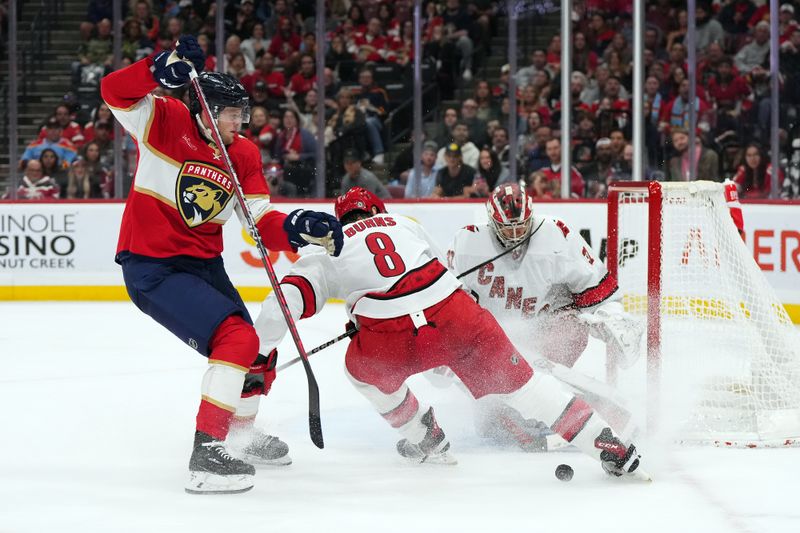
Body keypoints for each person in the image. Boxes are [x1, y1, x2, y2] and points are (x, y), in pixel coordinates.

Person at [253, 187, 649, 479]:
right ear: (380, 210)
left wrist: (263, 353)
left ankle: (425, 437)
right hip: (460, 322)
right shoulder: (404, 224)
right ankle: (607, 442)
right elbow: (439, 277)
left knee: (362, 374)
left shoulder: (325, 248)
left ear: (338, 221)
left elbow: (282, 307)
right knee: (528, 388)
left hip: (391, 339)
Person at [100, 35, 344, 495]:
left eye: (241, 113)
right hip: (153, 265)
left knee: (253, 353)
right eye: (232, 113)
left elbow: (259, 222)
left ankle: (241, 435)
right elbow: (114, 91)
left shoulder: (244, 153)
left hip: (204, 265)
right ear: (206, 109)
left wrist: (295, 227)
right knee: (237, 336)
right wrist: (157, 68)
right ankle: (206, 455)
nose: (240, 121)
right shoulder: (164, 119)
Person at [447, 184, 644, 449]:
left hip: (547, 327)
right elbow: (452, 303)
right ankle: (519, 410)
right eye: (507, 228)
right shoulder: (468, 242)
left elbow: (598, 292)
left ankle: (551, 403)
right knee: (488, 424)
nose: (516, 235)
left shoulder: (557, 235)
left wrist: (611, 319)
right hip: (495, 337)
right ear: (491, 221)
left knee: (569, 331)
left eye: (521, 227)